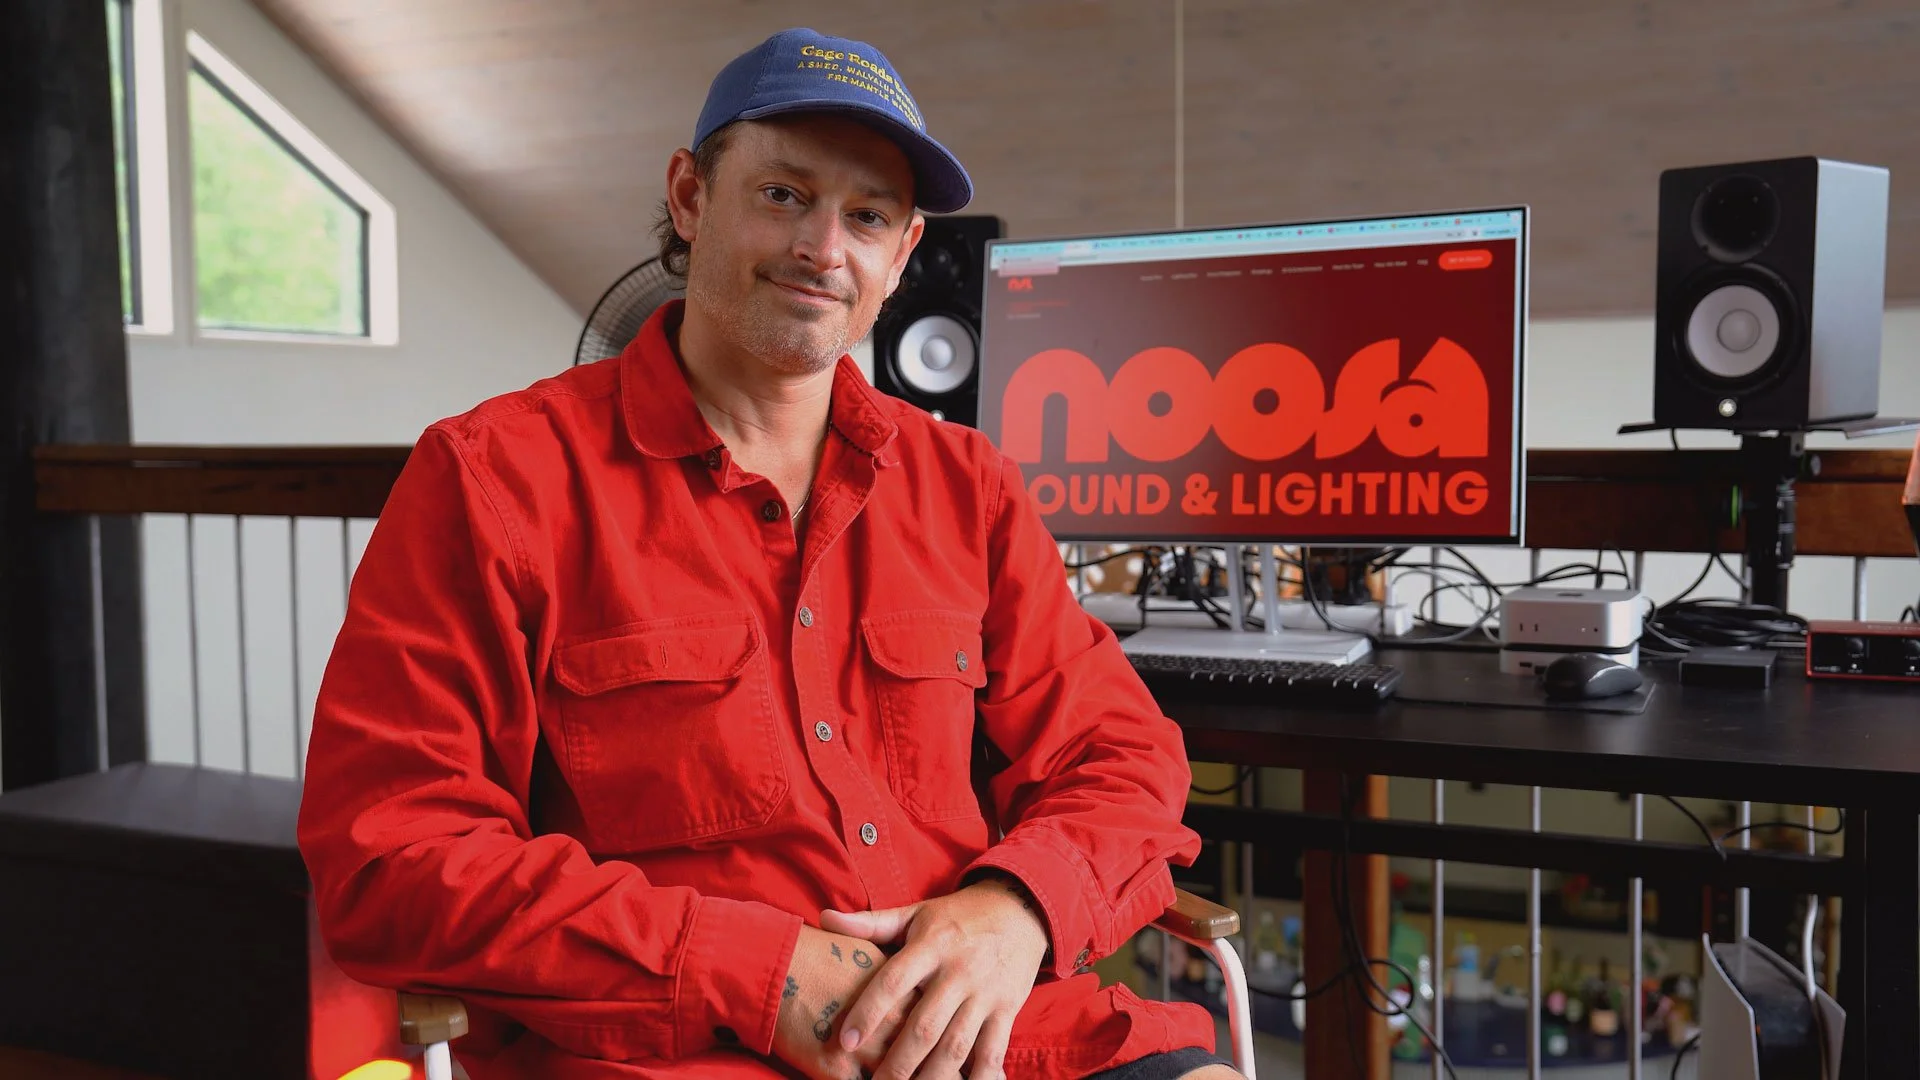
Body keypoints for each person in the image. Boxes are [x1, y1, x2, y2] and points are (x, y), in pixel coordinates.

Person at [297, 27, 1240, 1080]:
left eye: (868, 216)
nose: (823, 249)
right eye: (785, 195)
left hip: (1004, 1045)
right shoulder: (491, 481)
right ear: (691, 197)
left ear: (903, 251)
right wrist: (747, 966)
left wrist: (1016, 908)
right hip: (684, 1055)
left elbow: (1121, 758)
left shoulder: (968, 487)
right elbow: (391, 859)